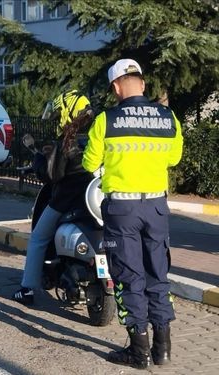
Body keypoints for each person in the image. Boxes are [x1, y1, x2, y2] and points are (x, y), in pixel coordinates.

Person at [82, 59, 183, 369]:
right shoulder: (168, 118)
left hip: (122, 208)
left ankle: (138, 351)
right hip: (155, 207)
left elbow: (89, 163)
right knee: (157, 275)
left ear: (115, 87)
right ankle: (163, 349)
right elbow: (174, 157)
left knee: (129, 277)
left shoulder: (106, 120)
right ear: (142, 83)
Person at [11, 89, 93, 305]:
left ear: (68, 113)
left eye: (59, 115)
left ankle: (27, 289)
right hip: (97, 201)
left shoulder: (67, 140)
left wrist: (39, 160)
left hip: (67, 199)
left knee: (38, 238)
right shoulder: (99, 133)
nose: (57, 120)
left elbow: (51, 175)